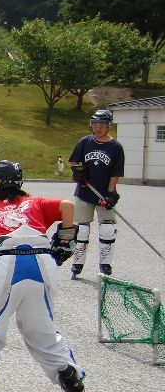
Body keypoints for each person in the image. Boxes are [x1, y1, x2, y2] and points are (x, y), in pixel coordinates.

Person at [0, 160, 89, 392]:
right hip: (42, 260)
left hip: (6, 260)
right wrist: (66, 238)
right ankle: (70, 376)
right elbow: (68, 206)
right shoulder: (34, 202)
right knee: (41, 328)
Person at [68, 109, 125, 278]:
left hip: (104, 194)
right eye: (95, 125)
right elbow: (73, 160)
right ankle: (77, 264)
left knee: (107, 228)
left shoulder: (116, 147)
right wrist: (78, 171)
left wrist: (109, 195)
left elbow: (115, 173)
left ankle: (105, 265)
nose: (97, 128)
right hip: (84, 192)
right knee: (82, 230)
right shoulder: (85, 142)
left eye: (101, 125)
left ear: (108, 126)